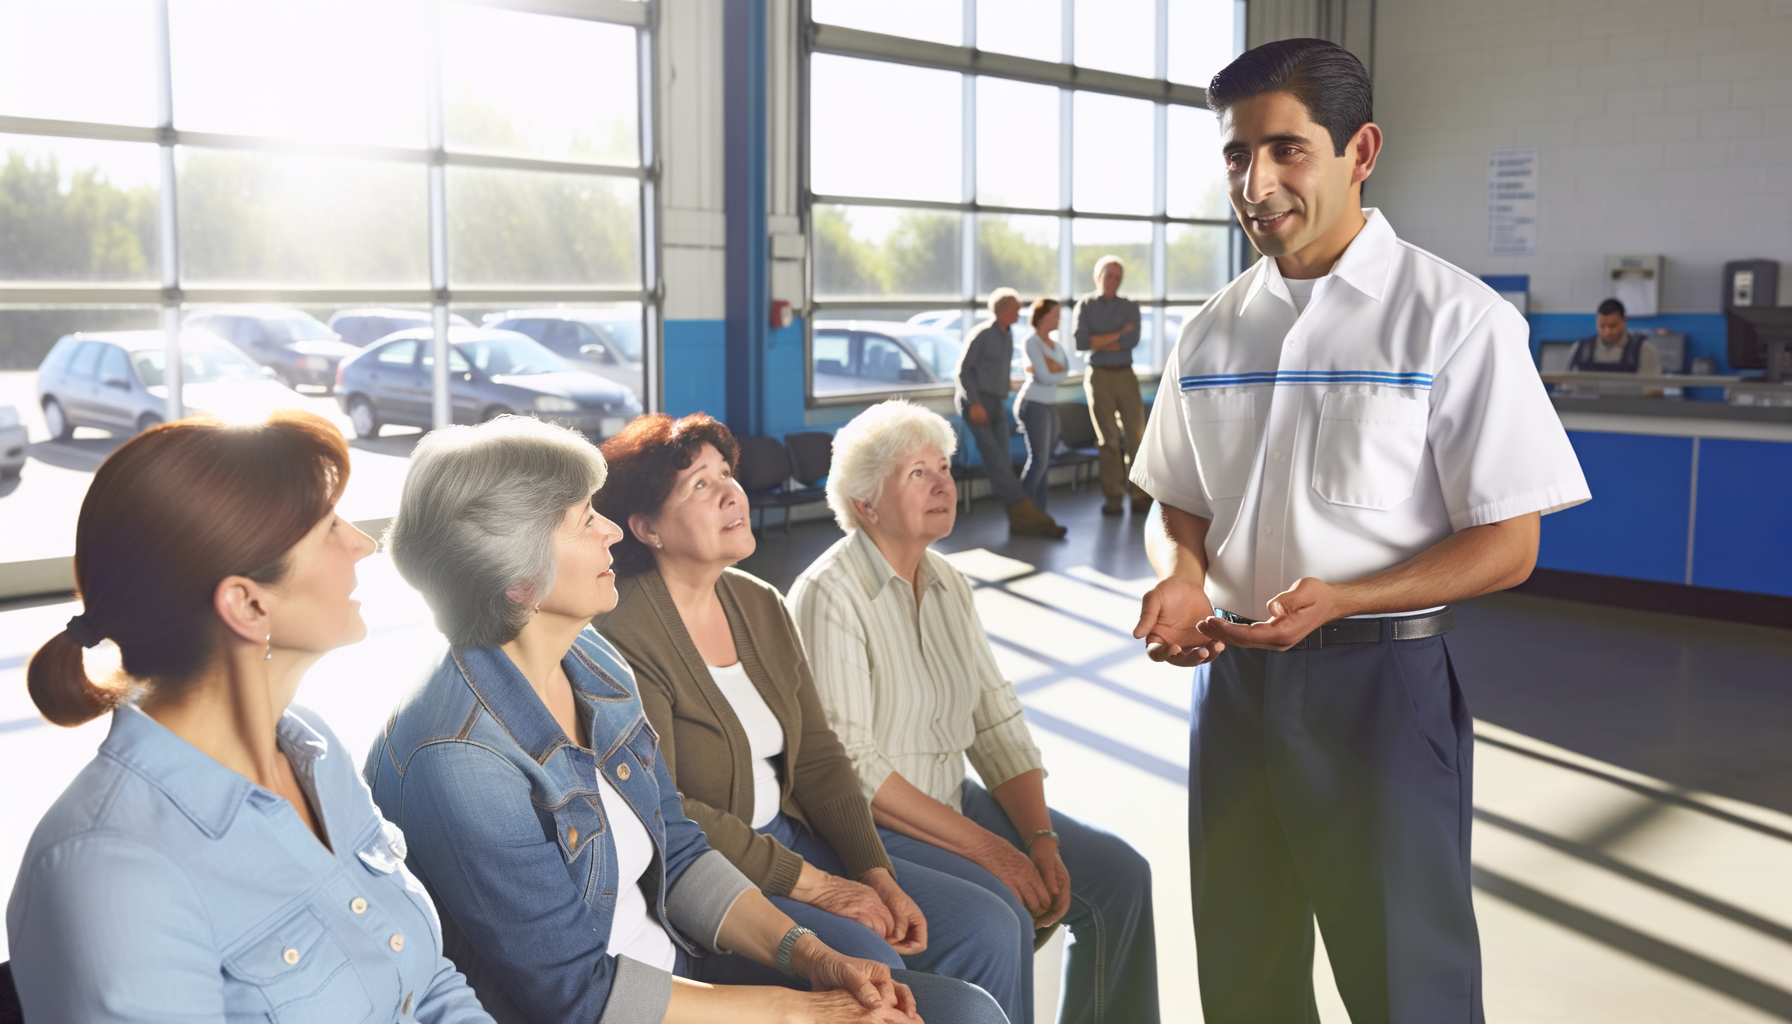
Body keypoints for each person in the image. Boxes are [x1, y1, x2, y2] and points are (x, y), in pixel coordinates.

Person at [1128, 39, 1590, 1024]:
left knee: (1402, 982)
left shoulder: (1453, 319)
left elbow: (1509, 544)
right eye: (1234, 156)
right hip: (1236, 686)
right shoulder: (1210, 330)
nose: (1255, 183)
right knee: (1243, 968)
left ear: (1359, 149)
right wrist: (1178, 573)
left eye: (1286, 150)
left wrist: (1346, 596)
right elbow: (1180, 499)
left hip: (1380, 688)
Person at [366, 415, 1005, 1024]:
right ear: (516, 577)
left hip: (681, 964)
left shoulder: (591, 658)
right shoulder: (459, 760)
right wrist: (806, 1010)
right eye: (585, 519)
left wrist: (814, 955)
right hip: (618, 1009)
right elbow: (580, 1001)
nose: (611, 532)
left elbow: (678, 845)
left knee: (967, 1009)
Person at [8, 413, 493, 1024]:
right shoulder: (111, 872)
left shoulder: (314, 750)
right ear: (247, 602)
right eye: (329, 528)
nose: (364, 544)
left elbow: (425, 985)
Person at [590, 412, 1028, 1023]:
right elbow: (672, 813)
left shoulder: (758, 601)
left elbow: (820, 755)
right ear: (646, 528)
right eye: (698, 485)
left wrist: (874, 871)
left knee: (989, 924)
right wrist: (822, 886)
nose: (729, 492)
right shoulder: (623, 630)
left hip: (796, 838)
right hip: (716, 872)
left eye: (726, 473)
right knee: (875, 962)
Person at [789, 400, 1160, 1024]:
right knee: (1003, 915)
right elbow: (855, 771)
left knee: (1122, 876)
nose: (943, 484)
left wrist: (1039, 838)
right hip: (873, 828)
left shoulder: (947, 581)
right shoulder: (830, 594)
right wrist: (996, 852)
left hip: (950, 796)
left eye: (943, 467)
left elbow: (994, 719)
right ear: (865, 504)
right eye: (917, 473)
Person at [956, 287, 1065, 538]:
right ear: (1003, 310)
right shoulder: (982, 334)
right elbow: (965, 371)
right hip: (977, 404)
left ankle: (1022, 518)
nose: (1020, 312)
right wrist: (975, 403)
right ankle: (1028, 517)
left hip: (995, 401)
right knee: (996, 461)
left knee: (1003, 461)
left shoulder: (1008, 335)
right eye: (1015, 308)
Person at [1071, 257, 1151, 517]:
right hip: (1099, 377)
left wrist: (1100, 340)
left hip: (1125, 375)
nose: (1113, 281)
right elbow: (1082, 342)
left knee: (1137, 436)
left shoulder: (1129, 307)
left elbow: (1133, 339)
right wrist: (1118, 334)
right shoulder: (1085, 305)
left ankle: (1139, 495)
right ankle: (1113, 497)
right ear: (1098, 277)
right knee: (1108, 440)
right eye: (1108, 276)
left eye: (1117, 277)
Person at [1015, 298, 1073, 512]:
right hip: (1033, 404)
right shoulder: (1031, 342)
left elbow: (1064, 372)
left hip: (1050, 405)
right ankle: (1021, 511)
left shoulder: (1056, 346)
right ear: (1043, 317)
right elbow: (1045, 377)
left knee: (1044, 461)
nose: (1058, 319)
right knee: (1038, 460)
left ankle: (1039, 512)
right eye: (1055, 314)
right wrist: (1053, 370)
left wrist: (1053, 369)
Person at [1569, 298, 1663, 376]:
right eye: (1602, 326)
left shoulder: (1643, 349)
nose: (1607, 332)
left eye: (1612, 326)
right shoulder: (1581, 348)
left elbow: (1653, 390)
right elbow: (1567, 385)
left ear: (1624, 320)